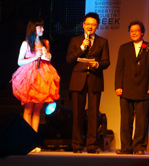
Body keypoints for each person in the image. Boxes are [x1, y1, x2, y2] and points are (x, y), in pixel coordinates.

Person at [11, 19, 60, 152]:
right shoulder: (26, 44)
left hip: (43, 75)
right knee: (28, 109)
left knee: (38, 111)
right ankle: (27, 140)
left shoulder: (46, 42)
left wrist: (47, 55)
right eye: (39, 27)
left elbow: (48, 59)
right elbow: (20, 61)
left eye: (43, 28)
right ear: (33, 28)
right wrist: (34, 57)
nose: (42, 30)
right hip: (29, 76)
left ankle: (34, 141)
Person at [66, 12, 110, 154]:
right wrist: (82, 48)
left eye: (93, 24)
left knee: (93, 115)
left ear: (97, 26)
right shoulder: (75, 40)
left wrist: (97, 65)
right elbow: (69, 59)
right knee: (77, 114)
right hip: (78, 80)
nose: (90, 26)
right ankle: (77, 145)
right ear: (83, 25)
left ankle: (91, 145)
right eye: (88, 24)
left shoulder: (102, 42)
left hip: (94, 80)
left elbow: (106, 62)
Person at [115, 21, 149, 155]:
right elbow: (119, 69)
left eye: (136, 30)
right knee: (126, 121)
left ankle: (139, 147)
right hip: (126, 89)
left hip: (144, 89)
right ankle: (126, 147)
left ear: (142, 32)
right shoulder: (124, 47)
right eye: (131, 31)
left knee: (141, 121)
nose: (133, 33)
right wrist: (118, 86)